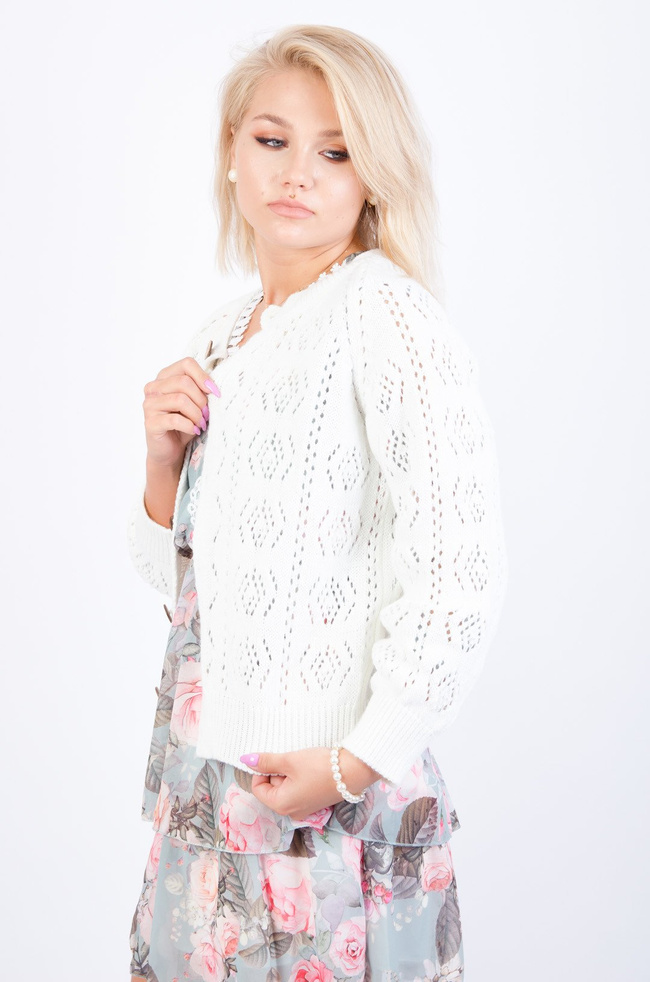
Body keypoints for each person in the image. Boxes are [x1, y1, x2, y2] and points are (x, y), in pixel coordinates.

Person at [126, 23, 508, 982]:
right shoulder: (223, 336)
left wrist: (358, 762)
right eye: (272, 140)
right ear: (232, 154)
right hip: (208, 792)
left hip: (328, 808)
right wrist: (163, 466)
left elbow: (458, 574)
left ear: (375, 175)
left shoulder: (386, 315)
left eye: (336, 152)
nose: (297, 172)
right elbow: (190, 602)